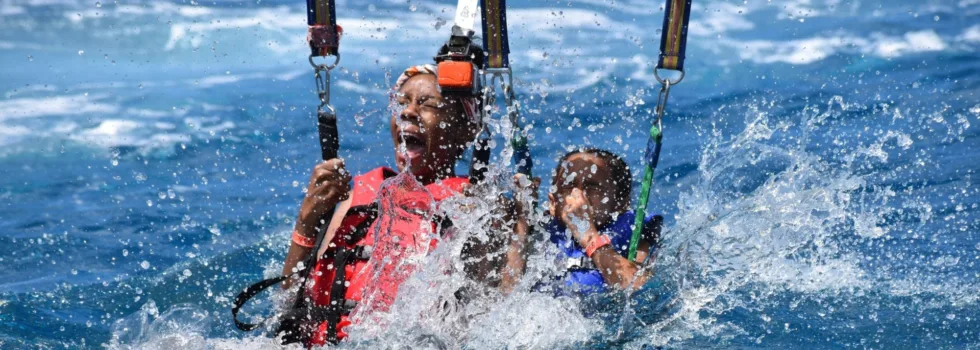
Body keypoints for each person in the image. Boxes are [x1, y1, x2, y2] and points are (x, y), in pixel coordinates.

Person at [279, 64, 492, 346]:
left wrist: (520, 225)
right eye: (402, 102)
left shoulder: (475, 208)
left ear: (465, 130)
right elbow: (288, 304)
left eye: (427, 104)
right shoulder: (356, 199)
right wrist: (307, 220)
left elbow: (494, 310)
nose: (408, 111)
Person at [506, 148, 662, 296]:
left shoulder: (636, 233)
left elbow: (641, 289)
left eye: (592, 187)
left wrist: (588, 235)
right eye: (568, 186)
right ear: (553, 202)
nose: (578, 195)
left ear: (620, 203)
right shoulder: (538, 231)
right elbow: (506, 294)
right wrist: (522, 220)